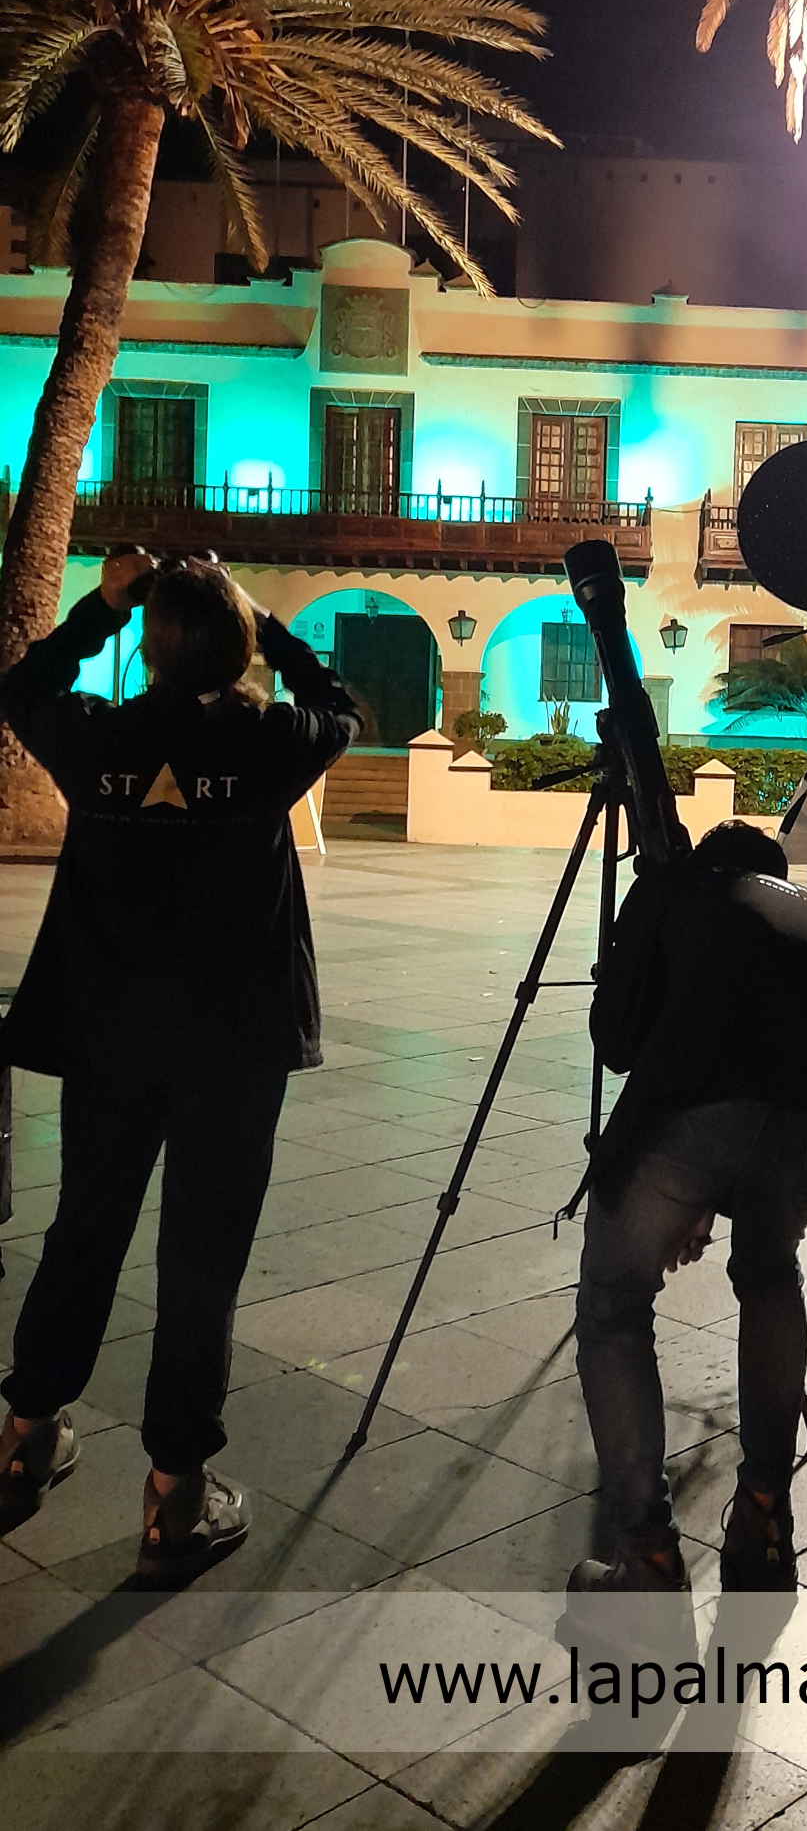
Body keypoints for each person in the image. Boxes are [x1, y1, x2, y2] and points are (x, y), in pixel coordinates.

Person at [0, 551, 359, 1578]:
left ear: (147, 645)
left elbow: (23, 687)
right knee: (200, 1266)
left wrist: (101, 609)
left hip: (109, 1042)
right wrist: (270, 622)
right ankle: (172, 1497)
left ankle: (24, 1434)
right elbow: (338, 702)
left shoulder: (99, 738)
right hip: (232, 1055)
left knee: (83, 1234)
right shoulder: (273, 743)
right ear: (240, 645)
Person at [569, 819, 807, 1598]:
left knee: (612, 1304)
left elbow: (619, 1039)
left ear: (706, 863)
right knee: (769, 1275)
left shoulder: (672, 889)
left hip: (693, 1115)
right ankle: (764, 1521)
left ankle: (647, 1559)